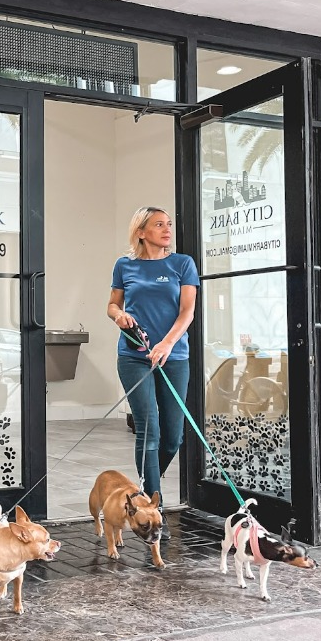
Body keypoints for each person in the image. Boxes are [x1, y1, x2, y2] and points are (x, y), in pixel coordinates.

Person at [107, 207, 199, 538]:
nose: (167, 229)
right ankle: (152, 509)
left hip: (173, 357)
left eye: (168, 224)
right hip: (134, 357)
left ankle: (141, 495)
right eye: (159, 224)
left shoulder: (182, 264)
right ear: (141, 232)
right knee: (149, 429)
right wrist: (119, 316)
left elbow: (187, 312)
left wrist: (167, 344)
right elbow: (112, 304)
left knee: (172, 437)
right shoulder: (125, 265)